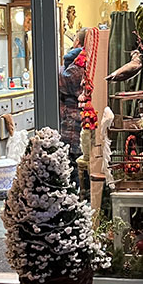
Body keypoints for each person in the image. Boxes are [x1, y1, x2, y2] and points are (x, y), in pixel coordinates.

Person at [59, 27, 88, 187]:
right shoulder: (91, 66)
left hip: (70, 125)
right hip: (87, 123)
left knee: (73, 171)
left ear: (77, 42)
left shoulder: (64, 71)